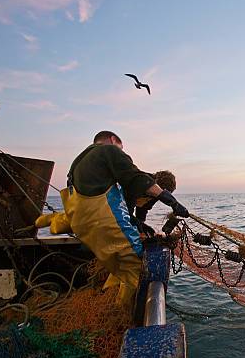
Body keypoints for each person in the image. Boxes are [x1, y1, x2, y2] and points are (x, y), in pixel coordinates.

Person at [62, 131, 189, 310]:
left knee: (120, 263)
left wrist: (140, 224)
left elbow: (141, 212)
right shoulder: (116, 157)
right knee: (134, 265)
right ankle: (118, 310)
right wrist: (170, 200)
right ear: (113, 141)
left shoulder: (79, 162)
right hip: (106, 220)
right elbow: (133, 187)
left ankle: (112, 293)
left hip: (84, 223)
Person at [126, 170, 177, 237]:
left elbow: (143, 208)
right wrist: (135, 222)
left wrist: (141, 224)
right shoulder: (140, 181)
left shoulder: (158, 194)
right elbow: (126, 211)